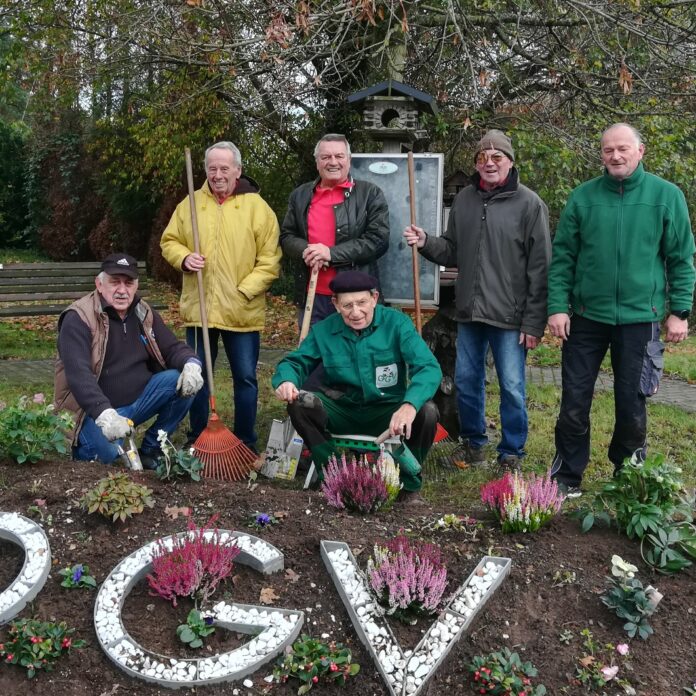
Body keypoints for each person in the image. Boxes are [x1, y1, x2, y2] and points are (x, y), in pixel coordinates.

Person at [547, 123, 695, 497]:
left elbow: (681, 258)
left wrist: (679, 310)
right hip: (585, 318)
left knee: (632, 403)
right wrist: (557, 308)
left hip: (640, 320)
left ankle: (627, 475)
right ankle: (567, 475)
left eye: (623, 149)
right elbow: (563, 257)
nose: (615, 155)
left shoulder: (666, 196)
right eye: (608, 149)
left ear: (640, 151)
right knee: (574, 400)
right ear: (601, 154)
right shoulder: (582, 198)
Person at [404, 129, 551, 472]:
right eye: (482, 158)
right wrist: (426, 241)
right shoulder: (465, 200)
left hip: (510, 316)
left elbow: (540, 268)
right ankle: (474, 443)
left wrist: (533, 322)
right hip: (469, 311)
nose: (488, 163)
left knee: (512, 386)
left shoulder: (530, 205)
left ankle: (512, 451)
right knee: (467, 382)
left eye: (496, 157)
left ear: (510, 161)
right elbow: (452, 250)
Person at [272, 271, 442, 498]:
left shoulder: (397, 324)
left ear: (374, 298)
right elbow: (295, 362)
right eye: (347, 305)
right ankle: (335, 476)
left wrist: (409, 406)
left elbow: (428, 368)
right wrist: (286, 381)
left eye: (362, 303)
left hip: (387, 412)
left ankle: (407, 483)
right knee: (299, 404)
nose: (356, 312)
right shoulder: (324, 330)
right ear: (335, 304)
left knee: (428, 411)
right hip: (343, 410)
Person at [161, 141, 281, 451]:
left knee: (245, 378)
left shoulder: (258, 208)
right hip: (200, 309)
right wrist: (184, 258)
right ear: (205, 170)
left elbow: (270, 261)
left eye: (224, 168)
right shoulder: (190, 204)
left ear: (238, 171)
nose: (217, 174)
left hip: (242, 309)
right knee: (197, 375)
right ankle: (198, 436)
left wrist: (244, 290)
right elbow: (169, 241)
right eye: (212, 168)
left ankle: (245, 440)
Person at [54, 253, 204, 467]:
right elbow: (79, 376)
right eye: (115, 282)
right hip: (93, 414)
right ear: (99, 284)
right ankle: (99, 443)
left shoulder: (143, 311)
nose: (122, 290)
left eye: (129, 283)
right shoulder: (78, 318)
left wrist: (192, 363)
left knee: (181, 379)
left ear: (136, 285)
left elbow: (172, 347)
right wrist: (106, 415)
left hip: (138, 402)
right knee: (104, 457)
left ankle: (152, 449)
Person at [280, 133, 390, 328]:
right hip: (313, 298)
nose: (333, 162)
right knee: (314, 356)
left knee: (356, 356)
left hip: (356, 299)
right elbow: (287, 236)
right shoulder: (300, 195)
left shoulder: (369, 194)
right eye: (326, 157)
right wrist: (306, 250)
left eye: (339, 156)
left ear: (348, 160)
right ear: (317, 162)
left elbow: (378, 240)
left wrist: (330, 253)